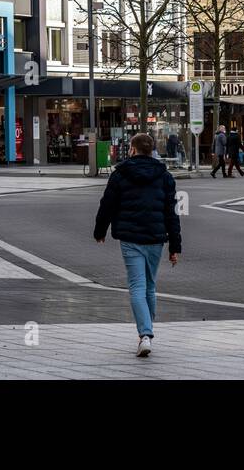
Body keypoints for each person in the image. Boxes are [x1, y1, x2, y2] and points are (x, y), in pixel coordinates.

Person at [92, 133, 182, 358]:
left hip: (131, 239)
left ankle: (145, 334)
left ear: (132, 149)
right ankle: (146, 333)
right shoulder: (165, 176)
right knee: (150, 286)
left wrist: (100, 231)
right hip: (155, 238)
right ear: (151, 150)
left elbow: (107, 205)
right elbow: (172, 213)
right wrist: (174, 247)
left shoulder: (120, 174)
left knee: (137, 286)